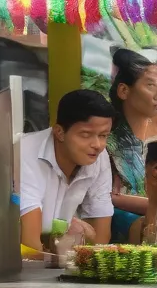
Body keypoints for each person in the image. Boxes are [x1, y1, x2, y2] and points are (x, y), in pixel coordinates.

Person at [19, 89, 115, 251]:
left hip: (59, 251)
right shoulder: (25, 153)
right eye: (86, 134)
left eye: (103, 135)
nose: (97, 145)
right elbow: (30, 244)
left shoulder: (99, 156)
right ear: (60, 132)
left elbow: (100, 235)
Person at [107, 49, 157, 240]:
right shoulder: (108, 141)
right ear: (124, 90)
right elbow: (107, 197)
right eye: (150, 85)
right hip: (123, 222)